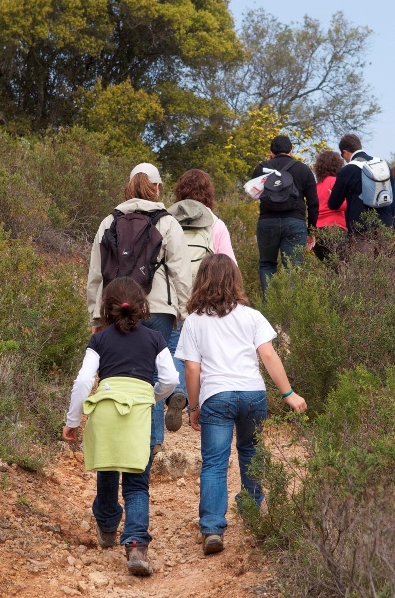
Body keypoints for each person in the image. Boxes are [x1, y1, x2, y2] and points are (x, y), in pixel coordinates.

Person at [174, 254, 307, 556]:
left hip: (216, 397)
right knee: (250, 451)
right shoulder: (251, 316)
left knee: (215, 463)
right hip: (252, 395)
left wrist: (194, 408)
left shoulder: (193, 322)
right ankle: (250, 510)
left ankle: (211, 528)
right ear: (235, 280)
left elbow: (192, 370)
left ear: (201, 282)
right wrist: (289, 394)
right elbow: (269, 356)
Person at [63, 277, 179, 576]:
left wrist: (72, 421)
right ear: (143, 306)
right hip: (138, 415)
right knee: (137, 483)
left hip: (106, 411)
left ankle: (107, 525)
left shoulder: (99, 340)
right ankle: (137, 544)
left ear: (106, 307)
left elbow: (84, 381)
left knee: (107, 469)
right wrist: (151, 396)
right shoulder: (155, 338)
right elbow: (170, 379)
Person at [86, 163, 192, 454]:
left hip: (116, 306)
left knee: (119, 371)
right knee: (155, 373)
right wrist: (184, 312)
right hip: (158, 308)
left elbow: (96, 274)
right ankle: (153, 442)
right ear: (156, 187)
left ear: (129, 185)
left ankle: (117, 439)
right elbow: (181, 272)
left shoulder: (109, 221)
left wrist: (97, 315)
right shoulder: (167, 222)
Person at [165, 169, 237, 430]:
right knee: (198, 351)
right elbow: (229, 264)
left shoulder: (167, 220)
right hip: (204, 295)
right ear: (209, 192)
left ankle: (175, 391)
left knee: (174, 345)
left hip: (171, 294)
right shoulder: (215, 223)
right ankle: (203, 401)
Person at [251, 135, 318, 294]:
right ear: (291, 151)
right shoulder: (303, 169)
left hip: (267, 222)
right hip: (295, 223)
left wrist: (266, 164)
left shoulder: (261, 168)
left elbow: (254, 195)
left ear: (271, 152)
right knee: (293, 268)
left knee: (267, 264)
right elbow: (313, 203)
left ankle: (270, 310)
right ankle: (291, 312)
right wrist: (311, 231)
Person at [328, 134, 395, 240]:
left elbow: (334, 204)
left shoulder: (347, 171)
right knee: (383, 256)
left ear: (344, 152)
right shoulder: (382, 165)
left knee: (363, 257)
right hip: (385, 226)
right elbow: (392, 199)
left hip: (361, 229)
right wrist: (393, 228)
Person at [313, 150, 346, 260]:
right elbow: (344, 205)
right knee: (342, 269)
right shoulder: (336, 182)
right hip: (335, 229)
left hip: (317, 232)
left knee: (330, 269)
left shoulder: (316, 186)